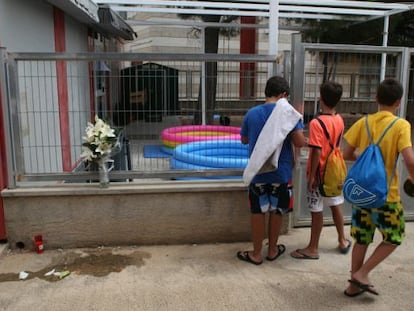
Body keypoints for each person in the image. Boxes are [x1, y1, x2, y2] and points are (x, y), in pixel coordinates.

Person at [342, 78, 414, 297]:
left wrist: (365, 160)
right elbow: (409, 159)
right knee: (394, 237)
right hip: (386, 197)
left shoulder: (363, 123)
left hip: (362, 195)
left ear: (376, 99)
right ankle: (362, 274)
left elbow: (346, 154)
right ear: (399, 102)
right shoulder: (401, 125)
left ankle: (354, 286)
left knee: (361, 238)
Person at [237, 76, 307, 265]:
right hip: (281, 173)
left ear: (266, 92)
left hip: (258, 172)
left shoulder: (252, 113)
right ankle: (273, 250)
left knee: (257, 212)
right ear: (284, 95)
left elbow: (243, 140)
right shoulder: (288, 113)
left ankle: (257, 253)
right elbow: (299, 141)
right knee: (277, 211)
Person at [290, 81, 351, 260]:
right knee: (335, 205)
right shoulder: (339, 119)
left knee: (316, 210)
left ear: (321, 98)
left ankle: (313, 248)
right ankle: (342, 239)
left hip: (319, 173)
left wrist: (311, 179)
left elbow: (316, 150)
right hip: (334, 171)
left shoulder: (317, 122)